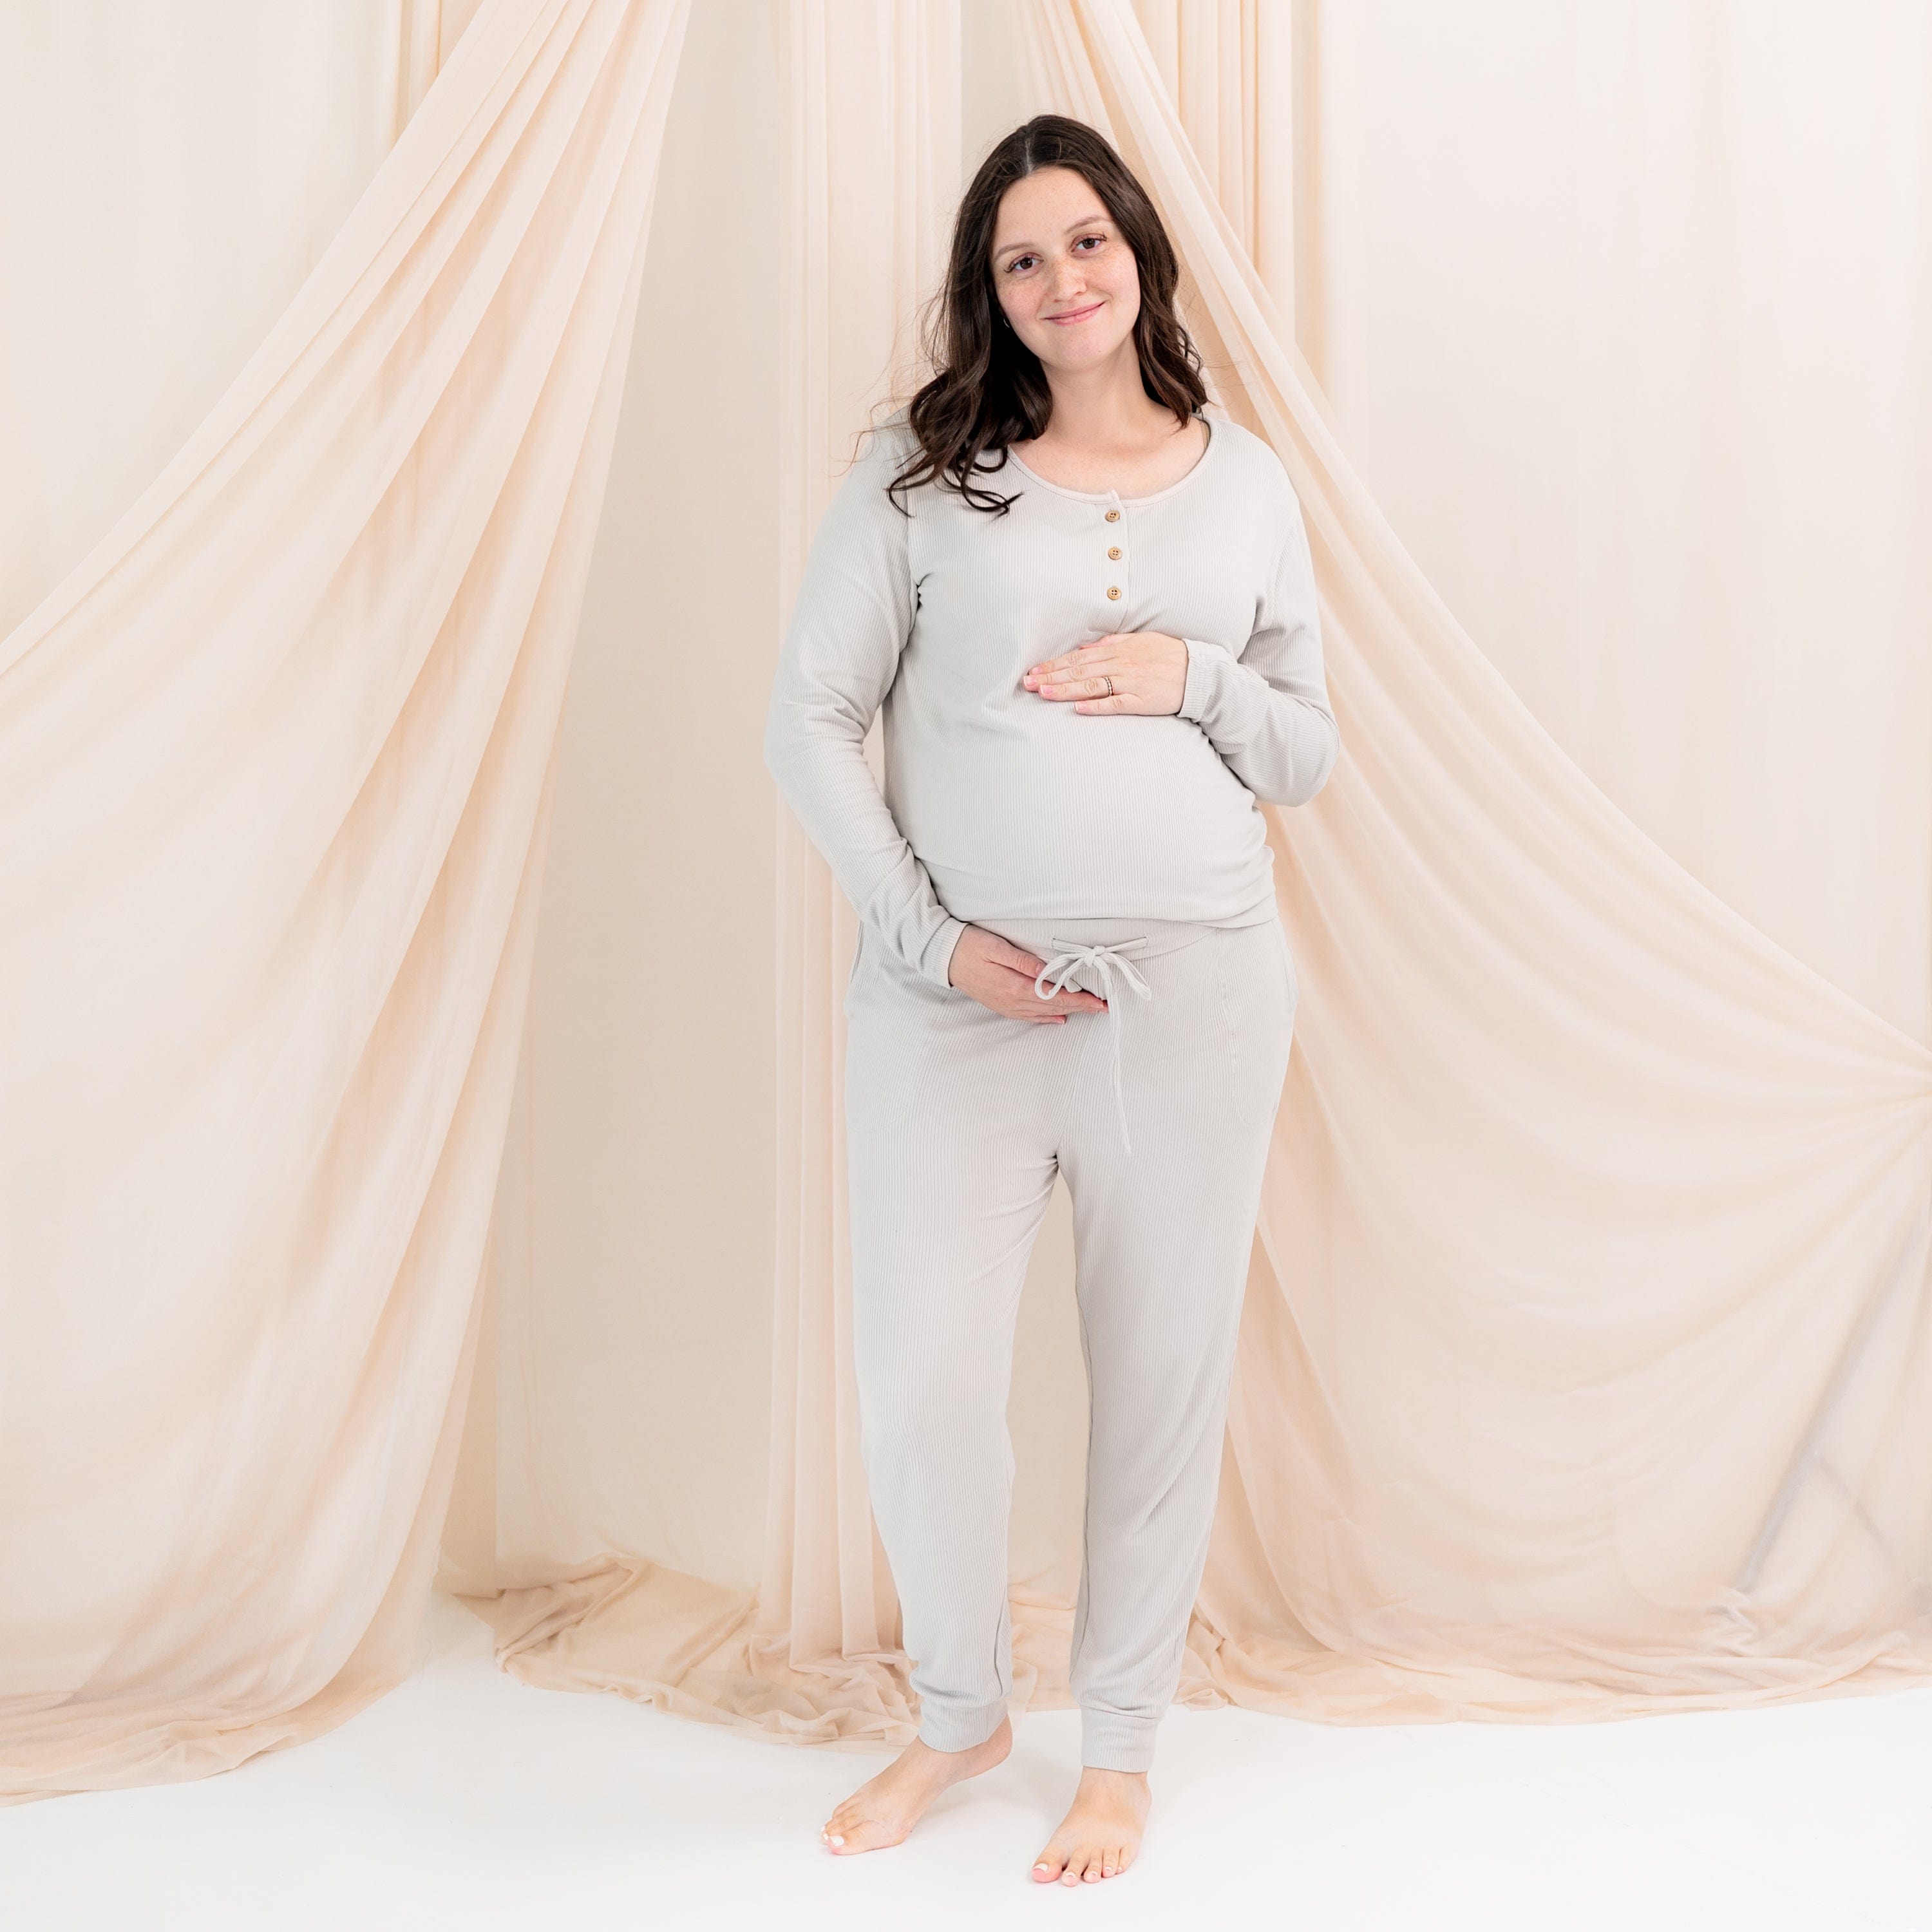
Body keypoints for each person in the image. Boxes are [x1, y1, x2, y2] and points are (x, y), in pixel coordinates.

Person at [761, 113, 1340, 1886]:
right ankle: (961, 1717)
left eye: (1086, 241)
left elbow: (1304, 753)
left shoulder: (1247, 485)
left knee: (1160, 1385)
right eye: (1022, 259)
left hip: (1195, 1000)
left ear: (1139, 254)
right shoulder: (921, 478)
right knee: (923, 1384)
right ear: (990, 294)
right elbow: (809, 721)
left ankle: (1125, 1750)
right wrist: (932, 939)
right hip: (951, 1010)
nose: (1062, 279)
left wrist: (1191, 677)